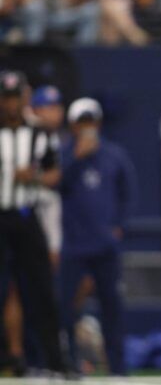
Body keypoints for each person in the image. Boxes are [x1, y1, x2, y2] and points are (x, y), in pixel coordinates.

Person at [59, 97, 137, 375]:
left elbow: (127, 193)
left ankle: (118, 370)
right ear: (72, 125)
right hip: (73, 244)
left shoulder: (114, 155)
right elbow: (55, 183)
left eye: (91, 121)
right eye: (82, 122)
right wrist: (76, 157)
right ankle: (69, 366)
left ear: (99, 123)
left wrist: (119, 226)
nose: (87, 127)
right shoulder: (64, 153)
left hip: (105, 245)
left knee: (112, 308)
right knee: (66, 308)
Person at [0, 70, 66, 376]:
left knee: (41, 289)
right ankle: (11, 357)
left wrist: (35, 176)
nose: (12, 105)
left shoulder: (39, 133)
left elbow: (54, 174)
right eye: (7, 98)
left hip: (27, 216)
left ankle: (52, 360)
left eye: (16, 98)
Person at [30, 85, 65, 268]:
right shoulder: (26, 133)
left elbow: (55, 176)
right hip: (25, 208)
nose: (56, 112)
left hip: (47, 206)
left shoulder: (55, 137)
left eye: (57, 107)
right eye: (49, 107)